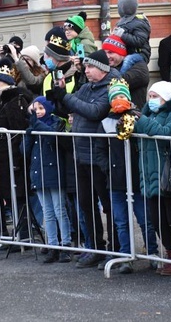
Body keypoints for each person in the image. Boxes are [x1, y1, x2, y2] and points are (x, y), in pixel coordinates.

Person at [51, 50, 121, 267]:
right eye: (86, 67)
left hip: (99, 155)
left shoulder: (112, 87)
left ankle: (116, 248)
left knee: (108, 206)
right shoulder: (85, 87)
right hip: (80, 154)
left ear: (102, 68)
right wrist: (59, 96)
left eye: (90, 67)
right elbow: (69, 109)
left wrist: (66, 97)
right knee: (86, 204)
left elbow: (95, 111)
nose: (86, 70)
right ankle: (95, 247)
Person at [95, 78, 158, 274]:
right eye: (115, 97)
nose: (119, 99)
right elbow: (99, 150)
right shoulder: (105, 123)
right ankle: (126, 256)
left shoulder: (139, 117)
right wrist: (108, 168)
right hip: (116, 180)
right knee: (121, 221)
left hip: (137, 178)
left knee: (144, 218)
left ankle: (153, 253)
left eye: (122, 96)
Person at [135, 81, 171, 275]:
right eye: (149, 96)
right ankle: (170, 253)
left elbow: (166, 132)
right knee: (157, 219)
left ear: (166, 97)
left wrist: (140, 120)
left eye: (155, 96)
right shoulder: (148, 115)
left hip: (169, 175)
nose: (151, 100)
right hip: (150, 175)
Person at [0, 58, 33, 241]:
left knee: (18, 196)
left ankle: (23, 234)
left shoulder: (15, 101)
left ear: (7, 83)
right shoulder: (0, 102)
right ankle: (16, 234)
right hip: (1, 157)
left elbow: (17, 131)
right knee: (9, 195)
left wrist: (15, 157)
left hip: (13, 158)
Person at [24, 96, 72, 263]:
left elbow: (53, 137)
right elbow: (24, 151)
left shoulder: (56, 123)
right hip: (39, 174)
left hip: (54, 173)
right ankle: (53, 245)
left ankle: (65, 244)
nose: (37, 112)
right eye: (35, 109)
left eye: (41, 108)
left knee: (60, 211)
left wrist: (35, 125)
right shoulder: (34, 126)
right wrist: (29, 134)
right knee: (48, 213)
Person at [102, 34, 149, 109]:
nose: (107, 56)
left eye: (110, 52)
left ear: (121, 53)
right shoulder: (110, 67)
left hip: (133, 116)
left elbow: (118, 82)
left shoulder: (139, 66)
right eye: (105, 53)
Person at [111, 0, 151, 72]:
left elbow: (139, 41)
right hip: (123, 52)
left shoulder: (139, 22)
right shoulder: (121, 22)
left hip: (139, 54)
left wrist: (122, 34)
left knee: (128, 60)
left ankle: (120, 79)